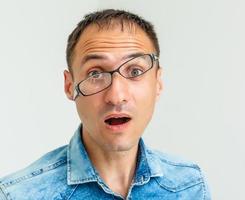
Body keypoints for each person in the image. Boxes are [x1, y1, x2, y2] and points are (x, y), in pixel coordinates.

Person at [0, 9, 211, 199]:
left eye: (135, 71)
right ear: (69, 86)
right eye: (95, 74)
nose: (117, 96)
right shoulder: (16, 195)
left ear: (157, 82)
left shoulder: (190, 186)